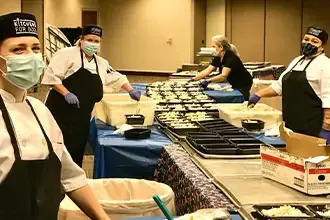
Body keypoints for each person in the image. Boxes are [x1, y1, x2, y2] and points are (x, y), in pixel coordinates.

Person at [0, 12, 110, 219]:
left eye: (35, 49)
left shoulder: (40, 110)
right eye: (18, 49)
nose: (30, 57)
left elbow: (71, 177)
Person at [42, 24, 141, 167]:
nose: (93, 44)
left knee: (76, 151)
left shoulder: (101, 63)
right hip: (59, 112)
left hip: (82, 116)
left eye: (96, 41)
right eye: (89, 40)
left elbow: (115, 77)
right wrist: (66, 93)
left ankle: (72, 183)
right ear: (81, 40)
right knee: (55, 148)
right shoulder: (66, 54)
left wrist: (130, 90)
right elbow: (52, 77)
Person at [248, 26, 330, 143]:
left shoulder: (325, 65)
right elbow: (279, 87)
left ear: (322, 46)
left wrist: (327, 127)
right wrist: (258, 94)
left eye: (314, 41)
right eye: (306, 39)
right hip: (292, 124)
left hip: (313, 127)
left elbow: (328, 97)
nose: (308, 43)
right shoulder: (297, 61)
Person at [190, 35, 252, 100]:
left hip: (243, 84)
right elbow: (207, 71)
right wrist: (194, 79)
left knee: (241, 99)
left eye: (214, 46)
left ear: (221, 47)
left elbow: (223, 76)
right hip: (234, 83)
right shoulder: (218, 57)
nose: (212, 49)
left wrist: (208, 81)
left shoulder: (230, 57)